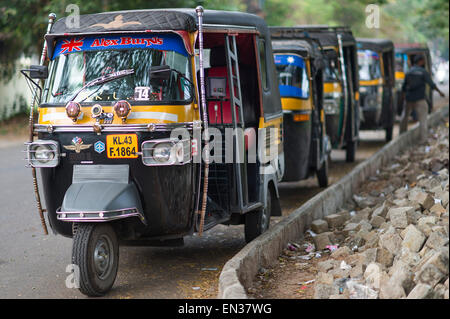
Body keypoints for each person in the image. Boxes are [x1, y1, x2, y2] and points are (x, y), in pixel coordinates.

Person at [400, 55, 445, 143]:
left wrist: (404, 98)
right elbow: (431, 84)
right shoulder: (423, 72)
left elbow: (403, 88)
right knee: (423, 120)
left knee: (404, 118)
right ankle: (423, 140)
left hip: (409, 99)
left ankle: (401, 136)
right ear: (420, 61)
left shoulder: (409, 72)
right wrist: (440, 92)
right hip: (420, 99)